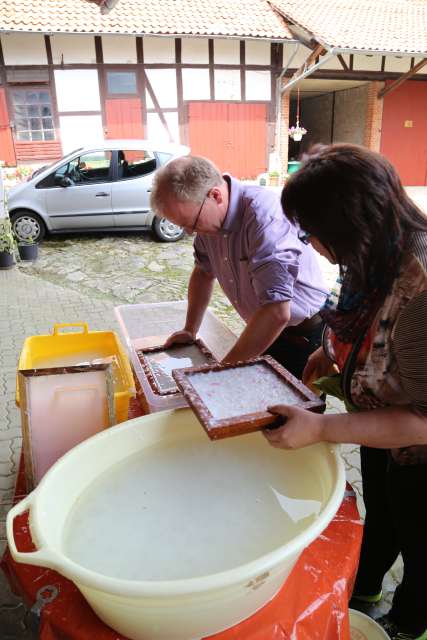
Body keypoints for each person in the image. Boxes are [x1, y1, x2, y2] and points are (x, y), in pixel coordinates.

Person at [263, 143, 427, 640]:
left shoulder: (421, 292)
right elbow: (362, 321)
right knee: (381, 512)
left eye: (312, 233)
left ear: (349, 225)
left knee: (420, 542)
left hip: (420, 451)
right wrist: (330, 353)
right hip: (382, 429)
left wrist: (322, 428)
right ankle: (366, 588)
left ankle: (410, 622)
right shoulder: (374, 251)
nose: (309, 244)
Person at [149, 155, 329, 378]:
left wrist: (221, 373)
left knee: (294, 410)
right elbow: (203, 273)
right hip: (261, 327)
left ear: (215, 195)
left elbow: (276, 312)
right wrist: (190, 329)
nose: (190, 232)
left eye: (191, 223)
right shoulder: (209, 221)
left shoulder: (265, 220)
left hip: (303, 335)